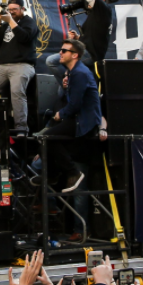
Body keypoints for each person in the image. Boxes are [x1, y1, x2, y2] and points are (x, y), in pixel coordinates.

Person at [38, 39, 101, 193]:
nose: (60, 52)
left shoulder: (79, 73)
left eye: (64, 50)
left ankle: (73, 172)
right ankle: (52, 175)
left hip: (83, 120)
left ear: (75, 55)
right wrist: (67, 88)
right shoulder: (75, 73)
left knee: (46, 138)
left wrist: (61, 114)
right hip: (78, 118)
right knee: (45, 138)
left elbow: (76, 104)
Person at [0, 0, 37, 132]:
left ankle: (21, 128)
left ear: (22, 9)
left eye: (14, 9)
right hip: (3, 66)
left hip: (23, 65)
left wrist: (11, 21)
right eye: (10, 9)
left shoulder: (29, 22)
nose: (11, 12)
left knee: (17, 91)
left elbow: (24, 37)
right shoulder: (7, 23)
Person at [67, 0, 114, 69]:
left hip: (91, 55)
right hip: (84, 51)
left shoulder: (104, 10)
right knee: (52, 61)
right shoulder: (95, 15)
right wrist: (77, 38)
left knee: (65, 61)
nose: (88, 0)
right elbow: (93, 37)